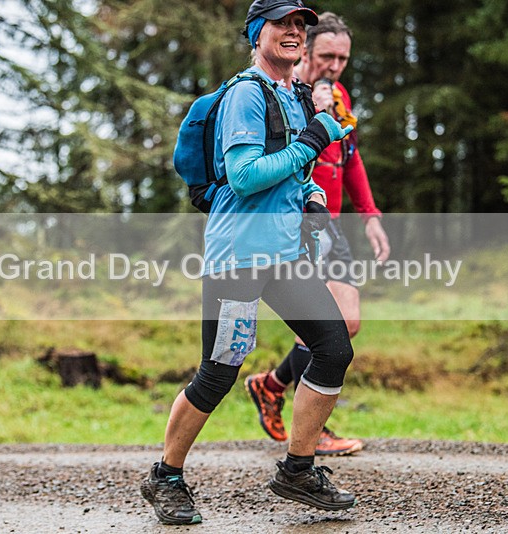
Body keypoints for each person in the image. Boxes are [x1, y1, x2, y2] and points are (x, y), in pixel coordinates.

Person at [141, 0, 360, 525]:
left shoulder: (294, 94)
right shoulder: (246, 94)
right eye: (282, 24)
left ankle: (298, 469)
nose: (293, 33)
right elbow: (243, 175)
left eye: (299, 26)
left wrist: (309, 197)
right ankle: (165, 476)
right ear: (256, 33)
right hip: (237, 256)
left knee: (332, 347)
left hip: (284, 254)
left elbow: (292, 170)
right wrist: (313, 140)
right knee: (219, 371)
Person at [245, 12, 391, 456]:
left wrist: (370, 215)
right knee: (319, 324)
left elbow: (351, 157)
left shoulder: (339, 95)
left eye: (343, 58)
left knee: (348, 321)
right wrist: (317, 112)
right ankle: (309, 435)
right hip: (296, 220)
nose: (335, 66)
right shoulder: (290, 95)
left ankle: (271, 385)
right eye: (327, 55)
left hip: (331, 221)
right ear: (305, 49)